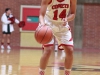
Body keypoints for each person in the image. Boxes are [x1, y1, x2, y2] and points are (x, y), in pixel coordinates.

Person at [39, 0, 77, 75]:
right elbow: (41, 15)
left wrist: (67, 19)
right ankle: (41, 73)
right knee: (48, 50)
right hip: (48, 24)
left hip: (62, 25)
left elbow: (73, 14)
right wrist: (43, 26)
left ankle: (67, 73)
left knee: (70, 50)